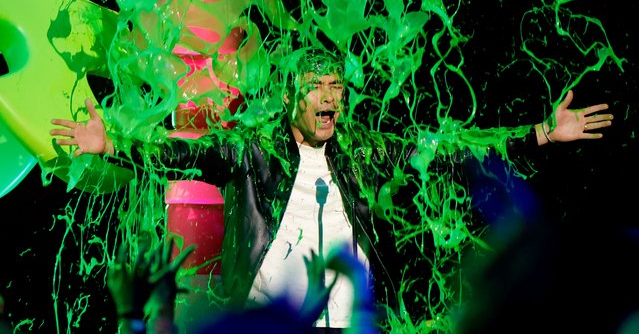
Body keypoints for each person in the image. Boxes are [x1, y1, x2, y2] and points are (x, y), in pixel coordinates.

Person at [50, 48, 614, 331]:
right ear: (291, 93)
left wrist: (540, 132)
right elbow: (182, 151)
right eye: (317, 86)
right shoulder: (252, 149)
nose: (331, 96)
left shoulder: (366, 150)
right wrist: (112, 145)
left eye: (337, 85)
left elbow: (453, 149)